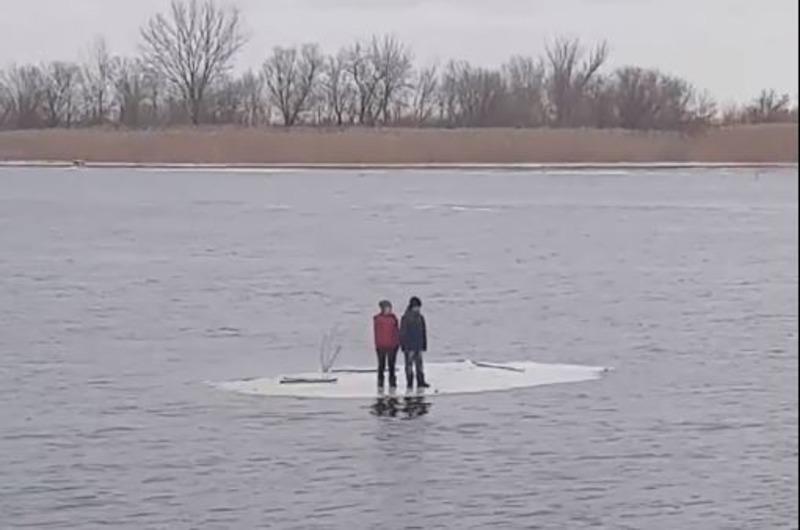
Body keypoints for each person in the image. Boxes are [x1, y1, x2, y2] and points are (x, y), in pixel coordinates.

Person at [400, 296, 429, 390]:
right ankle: (410, 382)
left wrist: (424, 345)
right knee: (409, 365)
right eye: (417, 307)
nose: (418, 309)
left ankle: (421, 381)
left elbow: (423, 332)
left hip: (418, 345)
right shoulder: (406, 318)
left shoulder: (421, 317)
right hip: (410, 346)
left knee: (419, 365)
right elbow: (403, 332)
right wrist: (404, 345)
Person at [373, 300, 400, 391]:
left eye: (389, 308)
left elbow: (396, 332)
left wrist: (397, 343)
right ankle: (380, 382)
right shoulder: (378, 319)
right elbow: (377, 333)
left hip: (392, 345)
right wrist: (377, 344)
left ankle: (392, 382)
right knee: (381, 365)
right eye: (387, 308)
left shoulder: (393, 318)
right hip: (381, 346)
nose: (388, 310)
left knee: (392, 365)